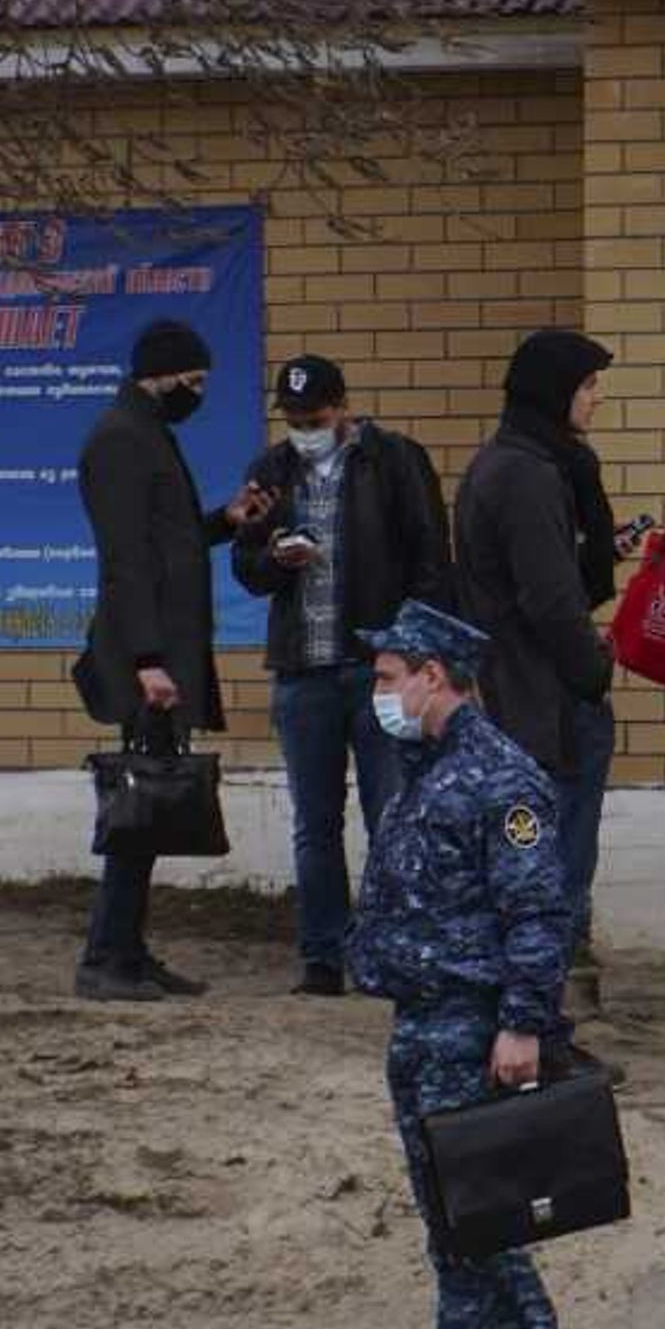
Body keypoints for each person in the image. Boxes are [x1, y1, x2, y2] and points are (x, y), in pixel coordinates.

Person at [344, 601, 575, 1329]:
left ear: (432, 677)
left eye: (388, 679)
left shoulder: (498, 778)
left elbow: (538, 912)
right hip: (421, 1016)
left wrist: (522, 1024)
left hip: (467, 1023)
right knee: (463, 1197)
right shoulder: (428, 766)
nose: (380, 694)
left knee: (456, 1214)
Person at [228, 353, 451, 997]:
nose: (304, 428)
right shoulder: (270, 471)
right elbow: (246, 567)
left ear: (343, 407)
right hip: (304, 671)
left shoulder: (394, 462)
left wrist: (415, 657)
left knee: (392, 816)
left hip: (377, 669)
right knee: (315, 823)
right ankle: (323, 956)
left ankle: (391, 950)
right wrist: (274, 557)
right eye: (294, 418)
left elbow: (429, 560)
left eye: (315, 417)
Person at [71, 318, 270, 1002]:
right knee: (139, 804)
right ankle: (106, 959)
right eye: (194, 380)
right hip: (146, 660)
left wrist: (227, 521)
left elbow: (167, 540)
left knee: (147, 809)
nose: (199, 392)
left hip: (161, 655)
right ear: (160, 371)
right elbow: (126, 561)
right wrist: (148, 660)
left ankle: (125, 949)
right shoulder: (121, 440)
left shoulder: (146, 433)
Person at [457, 330, 628, 1071]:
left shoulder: (530, 465)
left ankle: (528, 1030)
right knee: (547, 883)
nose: (596, 400)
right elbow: (554, 599)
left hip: (528, 699)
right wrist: (591, 670)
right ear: (554, 393)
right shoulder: (523, 475)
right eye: (587, 388)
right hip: (542, 708)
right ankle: (539, 1040)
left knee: (536, 878)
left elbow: (574, 577)